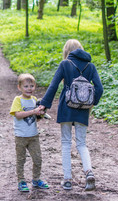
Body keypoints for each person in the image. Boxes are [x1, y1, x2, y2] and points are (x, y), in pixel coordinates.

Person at [39, 39, 103, 191]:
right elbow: (99, 88)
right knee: (81, 143)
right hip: (83, 109)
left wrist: (44, 104)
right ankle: (89, 172)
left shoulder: (65, 64)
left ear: (67, 51)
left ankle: (67, 180)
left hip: (66, 107)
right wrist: (91, 102)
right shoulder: (91, 66)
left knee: (66, 143)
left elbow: (54, 85)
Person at [9, 73, 49, 192]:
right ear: (19, 87)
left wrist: (40, 114)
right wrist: (33, 111)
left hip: (33, 135)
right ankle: (21, 181)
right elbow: (18, 114)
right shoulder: (18, 100)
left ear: (35, 86)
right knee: (21, 159)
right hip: (21, 136)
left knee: (38, 159)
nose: (29, 89)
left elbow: (35, 119)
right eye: (26, 86)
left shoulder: (35, 100)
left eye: (31, 86)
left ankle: (36, 179)